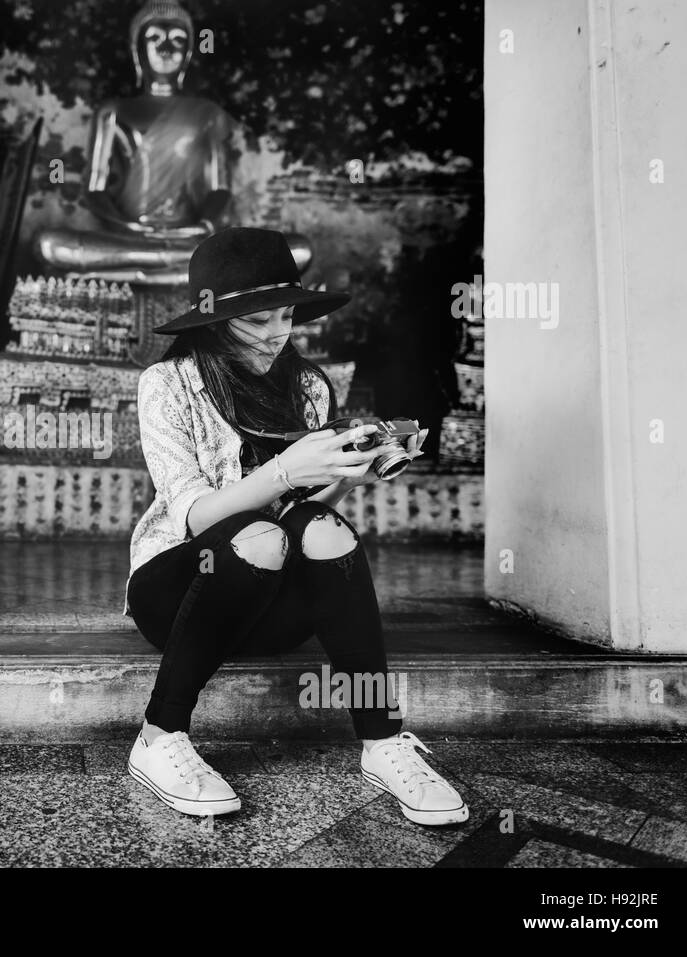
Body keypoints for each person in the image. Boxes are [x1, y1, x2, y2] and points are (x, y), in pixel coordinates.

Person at [125, 227, 469, 826]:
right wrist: (284, 469)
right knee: (254, 535)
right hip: (182, 589)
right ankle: (158, 736)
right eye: (256, 322)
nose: (277, 334)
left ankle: (385, 743)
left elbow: (306, 504)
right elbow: (193, 511)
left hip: (272, 606)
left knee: (324, 528)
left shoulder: (307, 386)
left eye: (285, 316)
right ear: (212, 320)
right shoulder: (167, 385)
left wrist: (349, 471)